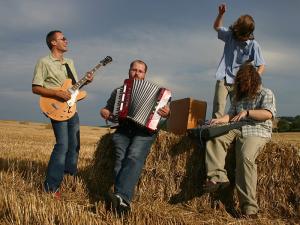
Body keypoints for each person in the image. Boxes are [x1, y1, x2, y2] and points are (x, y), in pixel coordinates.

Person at [202, 63, 276, 218]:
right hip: (237, 127)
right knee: (215, 137)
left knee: (245, 157)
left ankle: (249, 209)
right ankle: (218, 177)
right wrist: (219, 121)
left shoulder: (266, 93)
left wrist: (248, 112)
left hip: (257, 129)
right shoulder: (238, 96)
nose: (242, 85)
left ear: (253, 80)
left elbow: (268, 114)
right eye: (240, 83)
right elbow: (230, 115)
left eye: (245, 82)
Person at [100, 60, 170, 215]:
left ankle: (120, 198)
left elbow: (166, 113)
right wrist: (104, 112)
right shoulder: (118, 91)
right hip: (123, 129)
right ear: (129, 71)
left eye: (140, 71)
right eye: (134, 70)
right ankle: (122, 201)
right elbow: (106, 109)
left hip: (145, 131)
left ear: (145, 74)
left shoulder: (158, 94)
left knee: (134, 156)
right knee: (120, 158)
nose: (137, 73)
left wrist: (168, 113)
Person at [32, 30, 93, 198]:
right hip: (55, 107)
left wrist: (85, 82)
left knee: (74, 146)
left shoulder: (69, 62)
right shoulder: (44, 62)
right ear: (53, 43)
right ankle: (50, 187)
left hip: (71, 109)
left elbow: (73, 88)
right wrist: (56, 94)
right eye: (62, 38)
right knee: (62, 146)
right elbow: (35, 87)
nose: (66, 40)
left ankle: (69, 178)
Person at [212, 3, 265, 119]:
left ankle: (235, 133)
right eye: (237, 33)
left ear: (248, 34)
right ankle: (214, 134)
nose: (239, 37)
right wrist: (220, 15)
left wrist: (254, 77)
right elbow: (216, 27)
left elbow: (261, 65)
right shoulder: (230, 35)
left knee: (238, 110)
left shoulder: (253, 45)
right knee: (218, 108)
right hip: (224, 77)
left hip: (240, 82)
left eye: (242, 35)